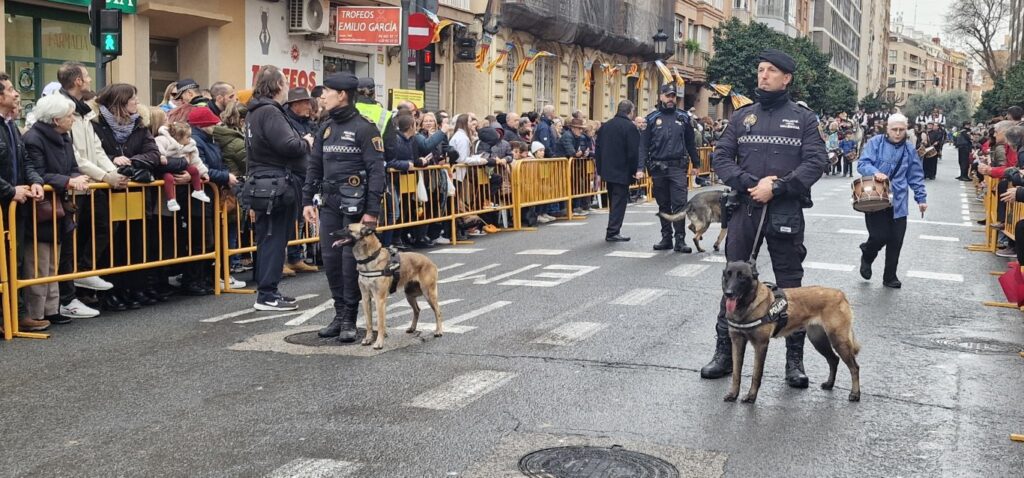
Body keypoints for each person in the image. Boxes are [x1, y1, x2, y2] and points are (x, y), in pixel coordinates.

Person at [703, 49, 828, 388]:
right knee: (734, 279)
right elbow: (721, 157)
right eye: (760, 69)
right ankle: (724, 354)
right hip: (746, 206)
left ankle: (794, 361)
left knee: (791, 286)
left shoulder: (803, 119)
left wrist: (778, 186)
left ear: (786, 78)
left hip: (785, 208)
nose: (763, 75)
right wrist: (749, 184)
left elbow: (816, 161)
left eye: (771, 70)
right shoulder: (743, 116)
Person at [303, 72, 385, 342]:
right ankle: (339, 314)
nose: (322, 96)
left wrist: (372, 211)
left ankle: (350, 317)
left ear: (342, 95)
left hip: (356, 207)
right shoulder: (326, 127)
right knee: (330, 259)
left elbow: (377, 172)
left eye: (327, 91)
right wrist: (307, 200)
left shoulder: (365, 128)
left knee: (350, 262)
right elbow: (314, 166)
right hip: (329, 203)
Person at [55, 62, 124, 317]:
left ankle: (86, 271)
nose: (90, 80)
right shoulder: (62, 108)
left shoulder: (84, 111)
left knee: (103, 227)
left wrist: (112, 173)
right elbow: (74, 155)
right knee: (70, 243)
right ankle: (69, 295)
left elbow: (96, 149)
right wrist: (105, 176)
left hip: (91, 184)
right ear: (77, 81)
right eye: (86, 76)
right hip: (75, 185)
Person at [245, 66, 312, 311]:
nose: (287, 88)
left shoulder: (255, 111)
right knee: (273, 239)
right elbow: (288, 145)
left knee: (270, 238)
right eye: (285, 83)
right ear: (277, 85)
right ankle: (267, 295)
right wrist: (305, 142)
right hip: (275, 184)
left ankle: (269, 291)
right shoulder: (270, 111)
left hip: (266, 182)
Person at [91, 83, 163, 308]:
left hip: (136, 192)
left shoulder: (139, 125)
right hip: (108, 193)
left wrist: (133, 161)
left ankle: (134, 288)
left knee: (136, 241)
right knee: (113, 243)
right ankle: (112, 291)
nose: (137, 102)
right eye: (133, 98)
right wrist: (113, 159)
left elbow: (153, 154)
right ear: (119, 102)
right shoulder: (96, 125)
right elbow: (94, 154)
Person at [856, 114, 927, 289]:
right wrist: (875, 172)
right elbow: (862, 164)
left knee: (896, 240)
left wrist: (921, 198)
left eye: (901, 130)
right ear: (887, 129)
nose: (897, 133)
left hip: (899, 201)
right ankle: (867, 253)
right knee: (879, 236)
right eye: (894, 129)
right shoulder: (876, 142)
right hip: (876, 198)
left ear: (906, 129)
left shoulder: (909, 149)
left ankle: (890, 276)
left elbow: (915, 175)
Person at [1, 72, 47, 331]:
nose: (16, 93)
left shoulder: (10, 126)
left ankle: (15, 315)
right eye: (10, 89)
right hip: (6, 202)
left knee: (13, 260)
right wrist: (10, 191)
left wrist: (35, 181)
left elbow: (25, 160)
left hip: (14, 206)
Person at [641, 84, 698, 253]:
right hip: (658, 167)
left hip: (677, 167)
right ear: (661, 97)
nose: (671, 99)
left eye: (673, 96)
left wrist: (696, 164)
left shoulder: (683, 117)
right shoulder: (651, 118)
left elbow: (690, 142)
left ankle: (680, 240)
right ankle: (666, 238)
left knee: (679, 204)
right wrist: (640, 167)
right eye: (668, 96)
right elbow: (643, 146)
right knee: (663, 204)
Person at [282, 87, 320, 276]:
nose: (309, 106)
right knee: (287, 220)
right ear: (295, 104)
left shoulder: (308, 123)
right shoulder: (286, 122)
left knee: (299, 220)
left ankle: (295, 258)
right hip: (291, 176)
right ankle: (282, 260)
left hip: (305, 175)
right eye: (306, 103)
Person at [596, 100, 641, 242]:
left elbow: (598, 149)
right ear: (630, 111)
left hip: (608, 170)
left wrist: (600, 169)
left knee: (613, 200)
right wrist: (635, 170)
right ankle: (613, 231)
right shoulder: (630, 127)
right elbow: (633, 152)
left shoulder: (606, 126)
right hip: (622, 170)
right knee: (619, 202)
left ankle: (613, 229)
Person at [153, 121, 211, 212]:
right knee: (168, 178)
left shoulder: (191, 144)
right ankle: (171, 200)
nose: (190, 139)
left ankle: (198, 191)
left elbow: (196, 160)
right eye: (188, 137)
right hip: (167, 168)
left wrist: (204, 172)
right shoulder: (163, 139)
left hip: (182, 167)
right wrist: (161, 156)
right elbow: (157, 148)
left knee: (194, 169)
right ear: (179, 137)